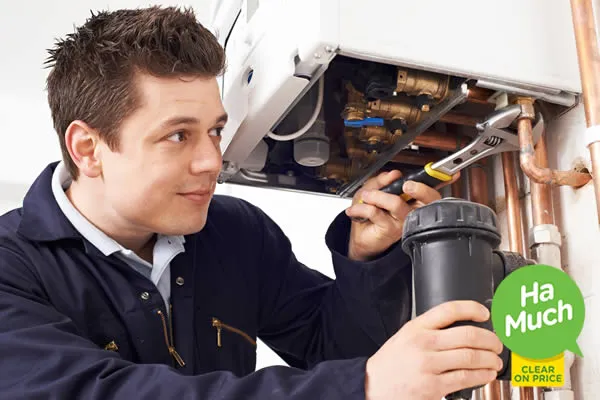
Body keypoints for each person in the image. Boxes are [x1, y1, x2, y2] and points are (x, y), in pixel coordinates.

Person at [0, 6, 504, 400]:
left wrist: (364, 259)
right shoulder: (11, 266)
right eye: (178, 136)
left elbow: (332, 349)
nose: (211, 162)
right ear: (89, 149)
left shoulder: (235, 232)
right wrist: (363, 388)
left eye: (215, 131)